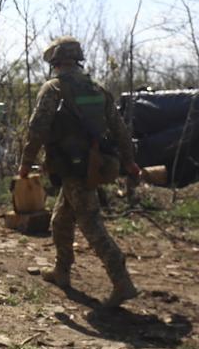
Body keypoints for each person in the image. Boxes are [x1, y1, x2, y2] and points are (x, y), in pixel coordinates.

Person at [17, 36, 141, 308]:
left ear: (55, 61)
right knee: (61, 221)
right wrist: (130, 162)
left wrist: (26, 163)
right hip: (94, 165)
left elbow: (37, 129)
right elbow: (120, 129)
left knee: (91, 225)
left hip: (72, 169)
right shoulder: (98, 90)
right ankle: (62, 272)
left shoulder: (54, 89)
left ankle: (122, 282)